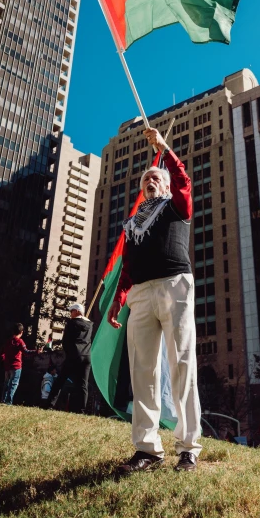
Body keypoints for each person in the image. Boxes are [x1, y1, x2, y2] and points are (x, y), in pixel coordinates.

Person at [107, 127, 201, 473]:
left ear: (164, 185)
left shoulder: (177, 206)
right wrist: (119, 297)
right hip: (141, 295)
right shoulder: (132, 224)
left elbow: (184, 182)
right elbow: (128, 266)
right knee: (143, 371)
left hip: (175, 285)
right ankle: (148, 449)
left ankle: (188, 448)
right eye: (145, 178)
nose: (149, 182)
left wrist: (164, 149)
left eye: (155, 178)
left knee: (181, 365)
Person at [45, 303, 93, 413]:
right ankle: (82, 410)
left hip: (74, 356)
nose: (70, 314)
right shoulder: (90, 325)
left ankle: (49, 405)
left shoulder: (71, 323)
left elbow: (65, 342)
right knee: (83, 384)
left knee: (60, 380)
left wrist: (69, 353)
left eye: (72, 311)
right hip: (86, 356)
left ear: (77, 311)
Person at [1, 323, 41, 405]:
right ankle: (9, 401)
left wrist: (4, 360)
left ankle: (3, 399)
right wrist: (37, 351)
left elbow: (3, 352)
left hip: (7, 366)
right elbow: (26, 352)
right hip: (16, 366)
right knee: (13, 384)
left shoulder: (8, 341)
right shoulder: (20, 341)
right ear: (21, 332)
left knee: (6, 384)